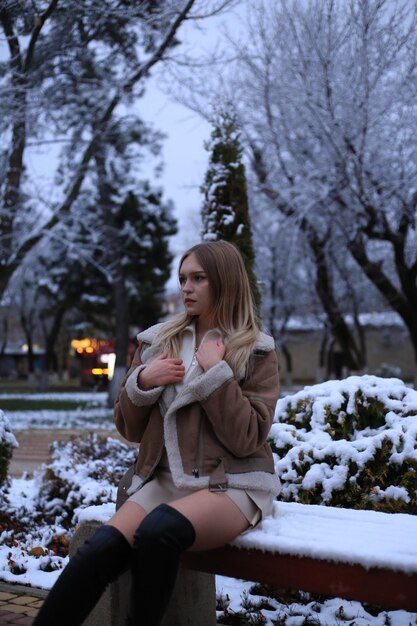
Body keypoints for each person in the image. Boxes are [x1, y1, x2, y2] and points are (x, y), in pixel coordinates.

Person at [33, 240, 280, 626]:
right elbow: (128, 427)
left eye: (198, 278)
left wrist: (217, 375)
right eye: (183, 278)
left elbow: (247, 438)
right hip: (162, 482)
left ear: (225, 282)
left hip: (229, 483)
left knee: (157, 533)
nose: (186, 287)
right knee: (97, 552)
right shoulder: (157, 343)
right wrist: (143, 381)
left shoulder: (256, 352)